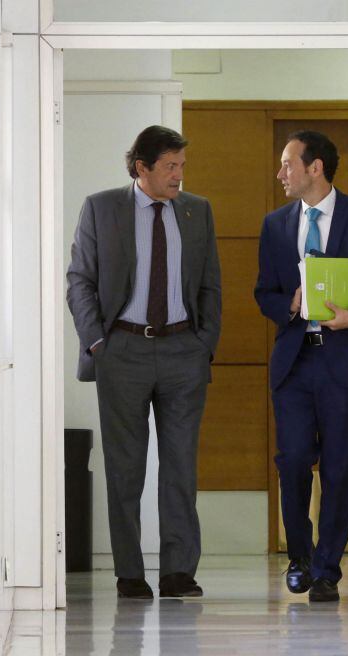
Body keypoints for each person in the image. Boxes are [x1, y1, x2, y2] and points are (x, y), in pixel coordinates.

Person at [66, 125, 221, 600]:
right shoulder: (102, 207)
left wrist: (203, 345)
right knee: (125, 467)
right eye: (170, 166)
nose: (179, 175)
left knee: (180, 466)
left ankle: (178, 571)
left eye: (182, 166)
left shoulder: (197, 210)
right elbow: (79, 280)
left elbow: (210, 285)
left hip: (182, 352)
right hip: (123, 351)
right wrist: (98, 343)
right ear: (142, 169)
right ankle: (129, 573)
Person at [254, 130, 348, 602]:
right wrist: (290, 304)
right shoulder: (276, 224)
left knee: (341, 468)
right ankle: (299, 558)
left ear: (314, 167)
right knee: (295, 460)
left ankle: (326, 570)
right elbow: (265, 292)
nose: (281, 173)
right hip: (295, 364)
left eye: (287, 163)